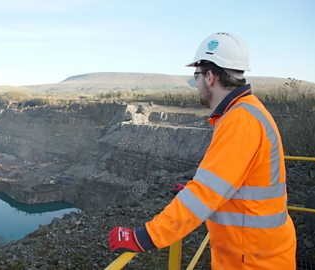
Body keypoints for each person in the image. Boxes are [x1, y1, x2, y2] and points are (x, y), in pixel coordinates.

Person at [108, 32, 297, 269]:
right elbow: (232, 182)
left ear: (209, 77)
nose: (194, 83)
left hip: (253, 260)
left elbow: (204, 194)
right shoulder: (248, 110)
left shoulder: (239, 121)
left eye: (195, 75)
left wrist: (144, 237)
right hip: (257, 252)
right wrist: (194, 190)